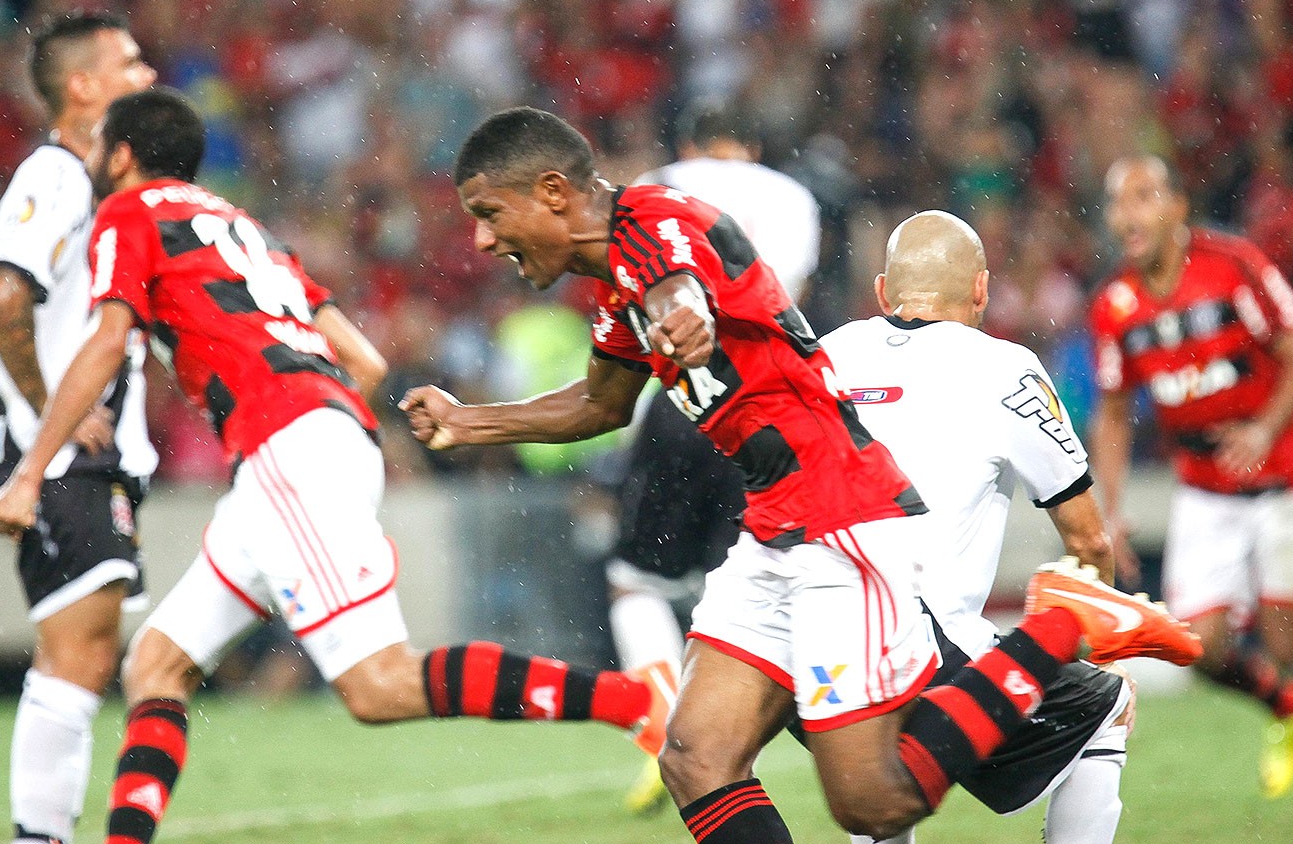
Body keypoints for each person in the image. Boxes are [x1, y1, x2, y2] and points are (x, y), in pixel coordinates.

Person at [401, 106, 1200, 843]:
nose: (482, 241)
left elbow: (683, 282)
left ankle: (1063, 622)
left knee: (872, 802)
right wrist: (470, 422)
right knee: (695, 757)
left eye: (488, 214)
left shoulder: (655, 221)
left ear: (549, 192)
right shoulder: (618, 279)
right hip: (774, 520)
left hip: (844, 518)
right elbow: (602, 404)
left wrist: (686, 313)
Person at [0, 89, 672, 844]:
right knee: (155, 663)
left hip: (287, 447)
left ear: (118, 157)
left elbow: (108, 341)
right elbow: (365, 360)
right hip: (303, 444)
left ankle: (637, 702)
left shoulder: (129, 211)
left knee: (378, 686)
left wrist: (30, 472)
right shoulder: (239, 226)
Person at [823, 210, 1134, 844]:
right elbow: (1087, 538)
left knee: (881, 775)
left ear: (884, 292)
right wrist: (1097, 641)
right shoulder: (1004, 367)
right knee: (1107, 705)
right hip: (923, 636)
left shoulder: (829, 352)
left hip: (814, 634)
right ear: (983, 290)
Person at [1089, 154, 1293, 806]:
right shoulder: (1116, 306)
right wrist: (1111, 509)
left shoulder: (1234, 266)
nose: (1126, 214)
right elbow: (1111, 413)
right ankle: (1284, 705)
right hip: (1208, 488)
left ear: (1177, 207)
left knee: (1287, 641)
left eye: (1143, 196)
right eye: (1116, 201)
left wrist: (1263, 429)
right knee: (1194, 645)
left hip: (1287, 475)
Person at [0, 11, 158, 844]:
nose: (147, 73)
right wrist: (60, 408)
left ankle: (40, 836)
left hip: (73, 452)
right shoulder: (55, 175)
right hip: (53, 455)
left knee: (82, 650)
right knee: (80, 652)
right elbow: (3, 295)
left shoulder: (97, 184)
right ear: (83, 86)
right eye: (130, 61)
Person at [608, 101, 820, 812]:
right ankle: (751, 736)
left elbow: (634, 294)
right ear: (752, 143)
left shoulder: (658, 183)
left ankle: (666, 723)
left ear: (690, 141)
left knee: (635, 582)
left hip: (681, 404)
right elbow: (792, 307)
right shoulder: (794, 198)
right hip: (763, 411)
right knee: (741, 587)